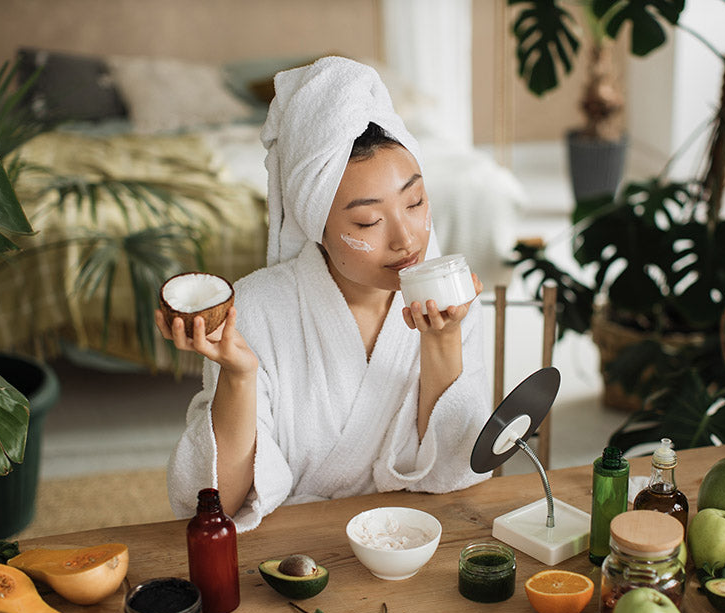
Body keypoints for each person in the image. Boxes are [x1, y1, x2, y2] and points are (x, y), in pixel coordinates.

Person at [158, 56, 490, 531]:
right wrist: (239, 376)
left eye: (415, 202)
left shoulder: (453, 301)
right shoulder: (257, 309)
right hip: (289, 549)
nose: (406, 238)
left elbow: (458, 470)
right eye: (367, 222)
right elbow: (213, 508)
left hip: (411, 535)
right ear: (317, 225)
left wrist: (442, 341)